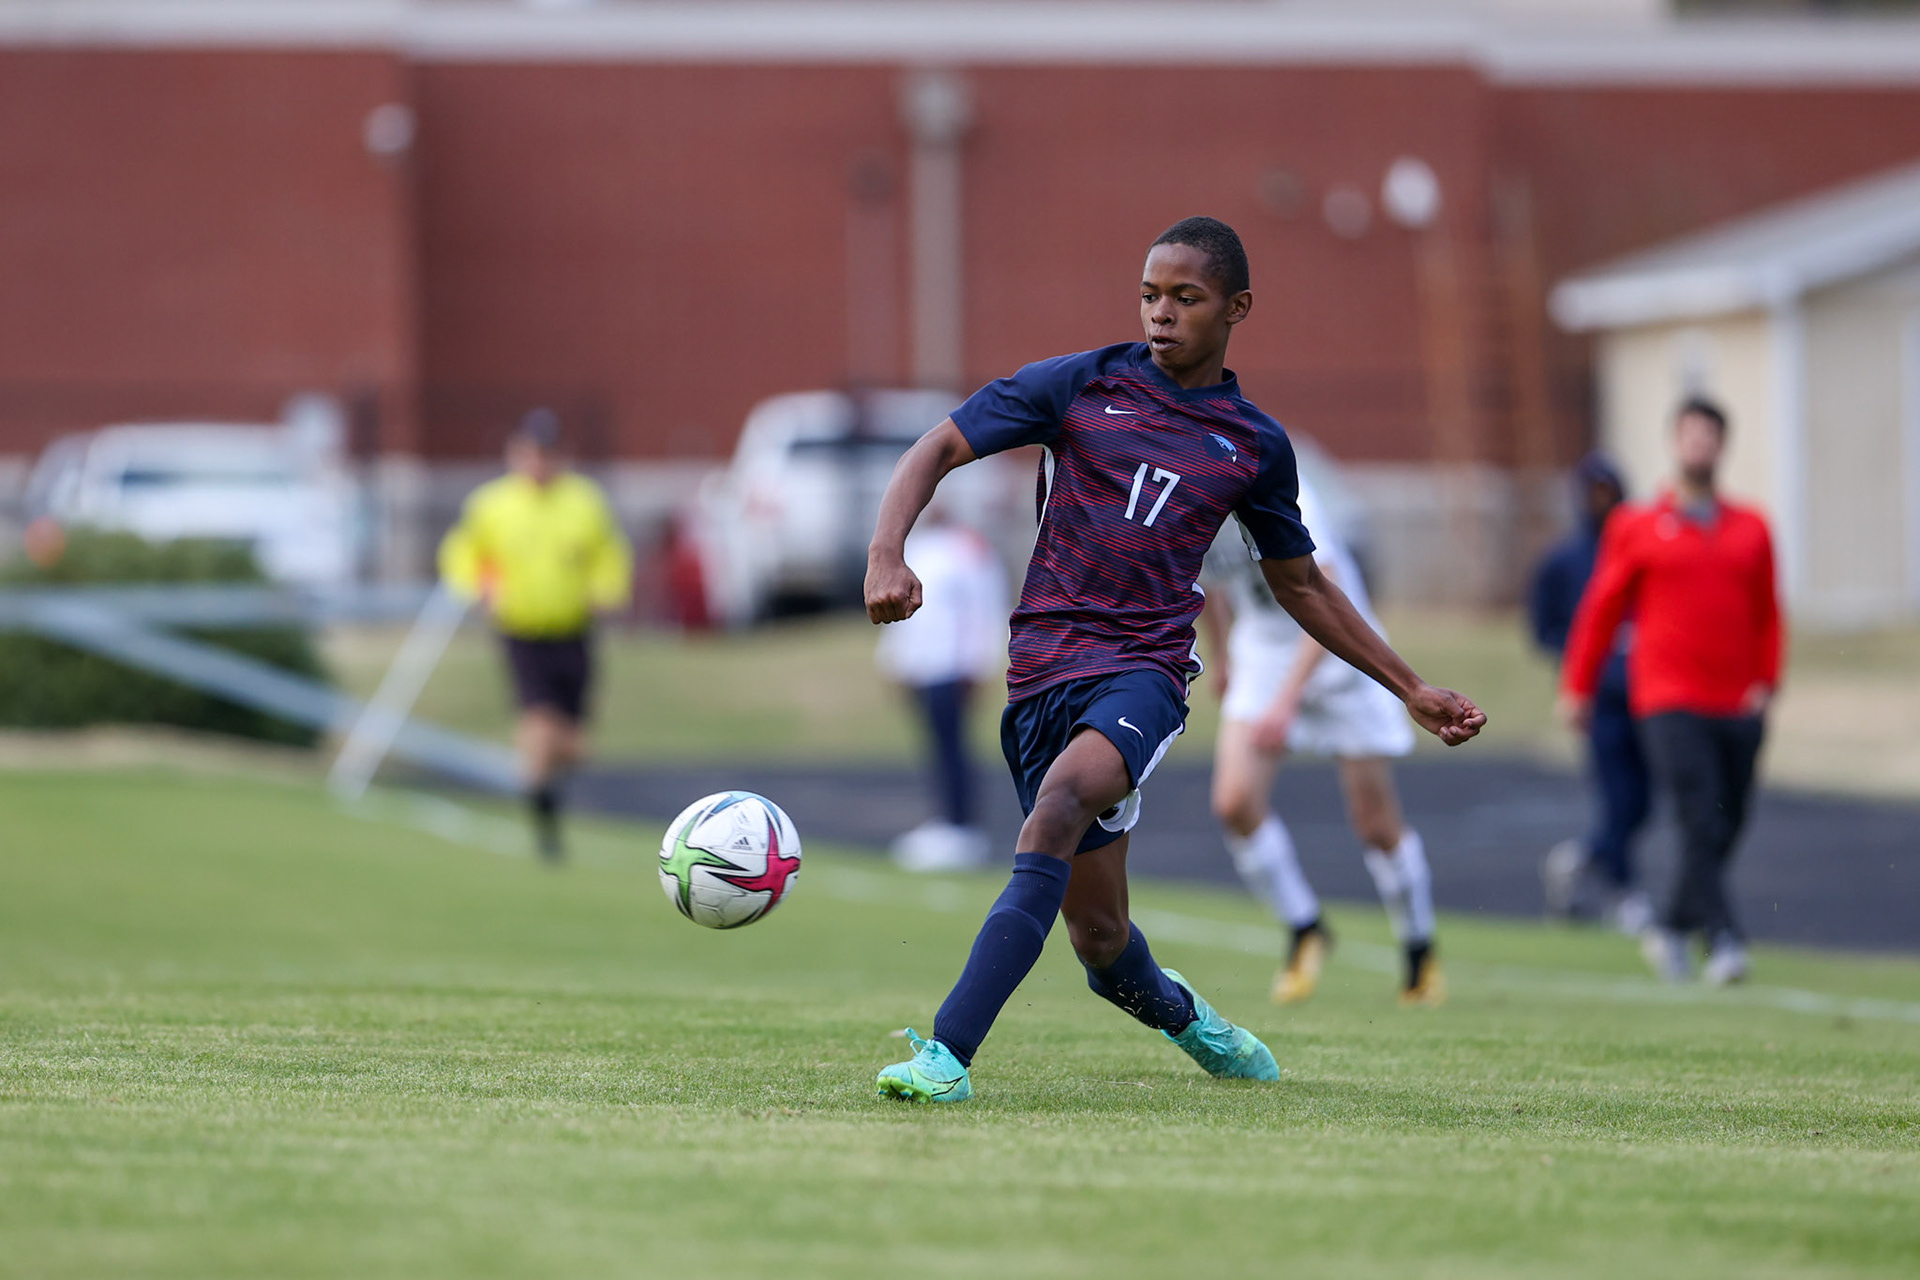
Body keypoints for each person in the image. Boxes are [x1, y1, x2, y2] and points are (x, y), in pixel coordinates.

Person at [864, 216, 1485, 1103]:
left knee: (1058, 807)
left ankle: (948, 1055)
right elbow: (939, 446)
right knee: (1101, 941)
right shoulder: (1081, 385)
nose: (1162, 313)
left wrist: (1411, 687)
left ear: (1236, 309)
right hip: (1040, 672)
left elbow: (1303, 586)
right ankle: (1195, 1022)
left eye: (1185, 298)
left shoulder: (1253, 445)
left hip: (1144, 675)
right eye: (1151, 295)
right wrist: (888, 551)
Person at [1559, 398, 1781, 985]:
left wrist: (1767, 680)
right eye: (1690, 436)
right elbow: (1601, 610)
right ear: (1674, 443)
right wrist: (1578, 687)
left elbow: (1768, 613)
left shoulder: (1751, 528)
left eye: (1710, 436)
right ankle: (1726, 939)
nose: (1699, 447)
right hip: (1666, 695)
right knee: (1697, 814)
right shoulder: (1636, 525)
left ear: (1722, 446)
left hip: (1736, 698)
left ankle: (1673, 924)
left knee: (1727, 820)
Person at [1201, 472, 1440, 1008]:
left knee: (1376, 826)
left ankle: (1419, 949)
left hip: (1336, 653)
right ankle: (1305, 929)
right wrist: (1222, 659)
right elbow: (1210, 583)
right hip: (1262, 651)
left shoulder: (1283, 488)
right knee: (1234, 803)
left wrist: (1285, 703)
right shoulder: (1187, 487)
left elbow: (1324, 595)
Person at [438, 409, 633, 861]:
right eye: (531, 453)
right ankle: (540, 809)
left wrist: (607, 590)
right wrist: (475, 585)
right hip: (522, 628)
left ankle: (541, 785)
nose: (539, 463)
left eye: (547, 454)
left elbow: (609, 554)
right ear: (516, 454)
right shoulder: (493, 504)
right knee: (538, 720)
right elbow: (462, 550)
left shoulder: (585, 502)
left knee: (576, 744)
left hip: (573, 629)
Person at [1528, 454, 1654, 934]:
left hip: (1648, 692)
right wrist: (1581, 659)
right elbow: (1544, 628)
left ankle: (1583, 859)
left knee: (1644, 800)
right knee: (1617, 794)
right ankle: (1626, 890)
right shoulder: (1564, 561)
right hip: (1600, 696)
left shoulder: (1641, 551)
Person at [875, 503, 1009, 872]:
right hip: (922, 667)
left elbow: (986, 608)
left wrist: (981, 662)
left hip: (953, 667)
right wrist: (895, 662)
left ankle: (961, 827)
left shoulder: (970, 549)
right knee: (936, 746)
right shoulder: (917, 547)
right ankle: (946, 821)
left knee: (954, 746)